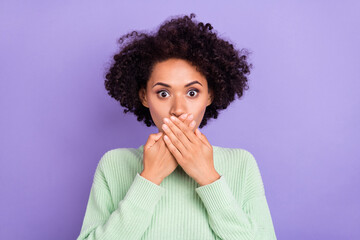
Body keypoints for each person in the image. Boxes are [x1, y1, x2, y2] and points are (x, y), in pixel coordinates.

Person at [76, 13, 277, 240]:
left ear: (209, 95)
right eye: (163, 93)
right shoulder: (114, 164)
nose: (178, 108)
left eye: (192, 92)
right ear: (144, 97)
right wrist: (149, 179)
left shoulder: (241, 164)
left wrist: (209, 178)